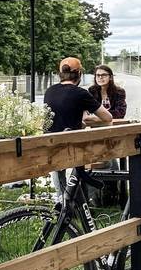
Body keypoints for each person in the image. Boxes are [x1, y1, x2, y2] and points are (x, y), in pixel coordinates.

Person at [43, 57, 113, 199]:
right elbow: (107, 118)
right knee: (107, 156)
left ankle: (62, 202)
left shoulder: (49, 91)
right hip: (73, 147)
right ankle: (88, 201)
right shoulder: (80, 93)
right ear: (79, 74)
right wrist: (89, 119)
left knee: (59, 172)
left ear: (60, 74)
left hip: (51, 146)